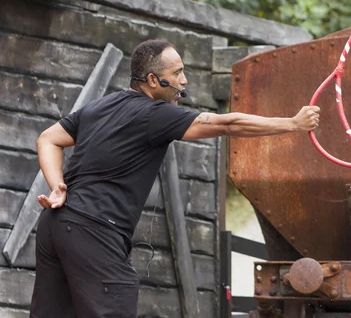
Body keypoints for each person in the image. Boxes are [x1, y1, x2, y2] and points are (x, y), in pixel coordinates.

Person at [30, 39, 320, 318]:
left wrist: (57, 185)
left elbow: (48, 139)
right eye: (177, 73)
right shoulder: (154, 114)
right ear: (154, 80)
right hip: (94, 230)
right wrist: (292, 123)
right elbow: (228, 123)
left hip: (55, 225)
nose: (185, 81)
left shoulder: (98, 107)